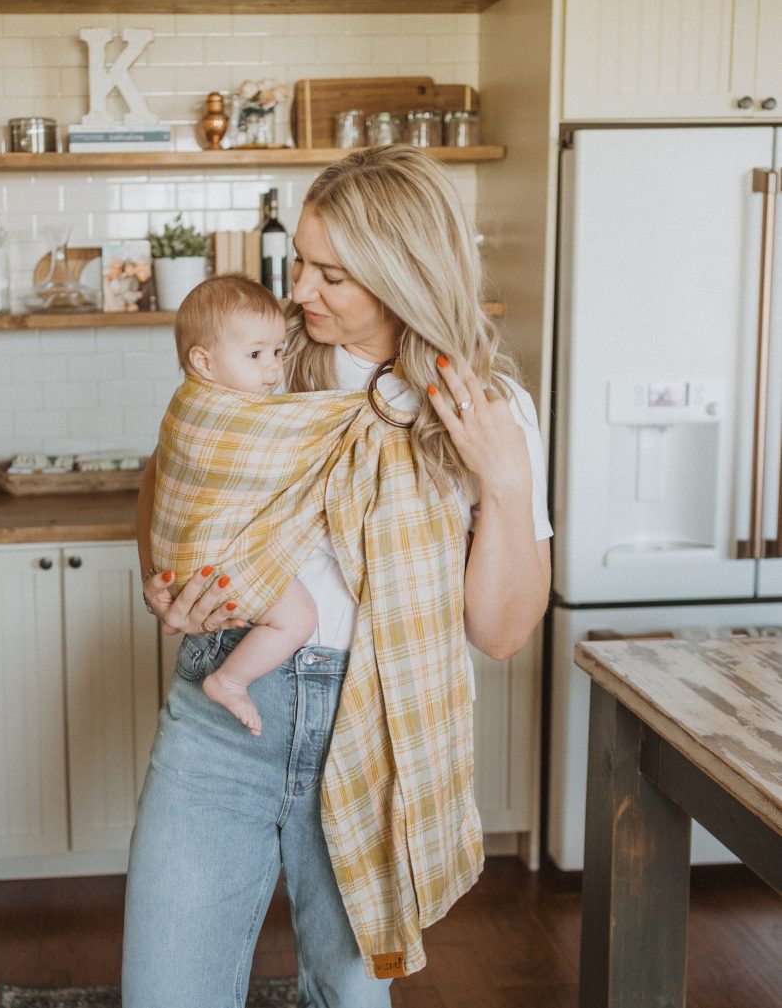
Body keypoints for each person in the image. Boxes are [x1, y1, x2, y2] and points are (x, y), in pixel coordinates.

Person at [122, 144, 552, 1008]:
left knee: (346, 996)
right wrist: (159, 576)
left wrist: (502, 477)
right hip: (225, 707)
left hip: (373, 731)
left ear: (402, 274)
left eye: (331, 274)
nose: (302, 291)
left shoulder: (481, 409)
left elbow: (500, 631)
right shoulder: (270, 365)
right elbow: (174, 475)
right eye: (301, 266)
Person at [150, 273, 317, 736]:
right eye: (256, 355)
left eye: (279, 353)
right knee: (298, 618)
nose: (273, 370)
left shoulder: (193, 400)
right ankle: (230, 680)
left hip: (194, 563)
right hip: (210, 563)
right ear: (203, 361)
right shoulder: (219, 412)